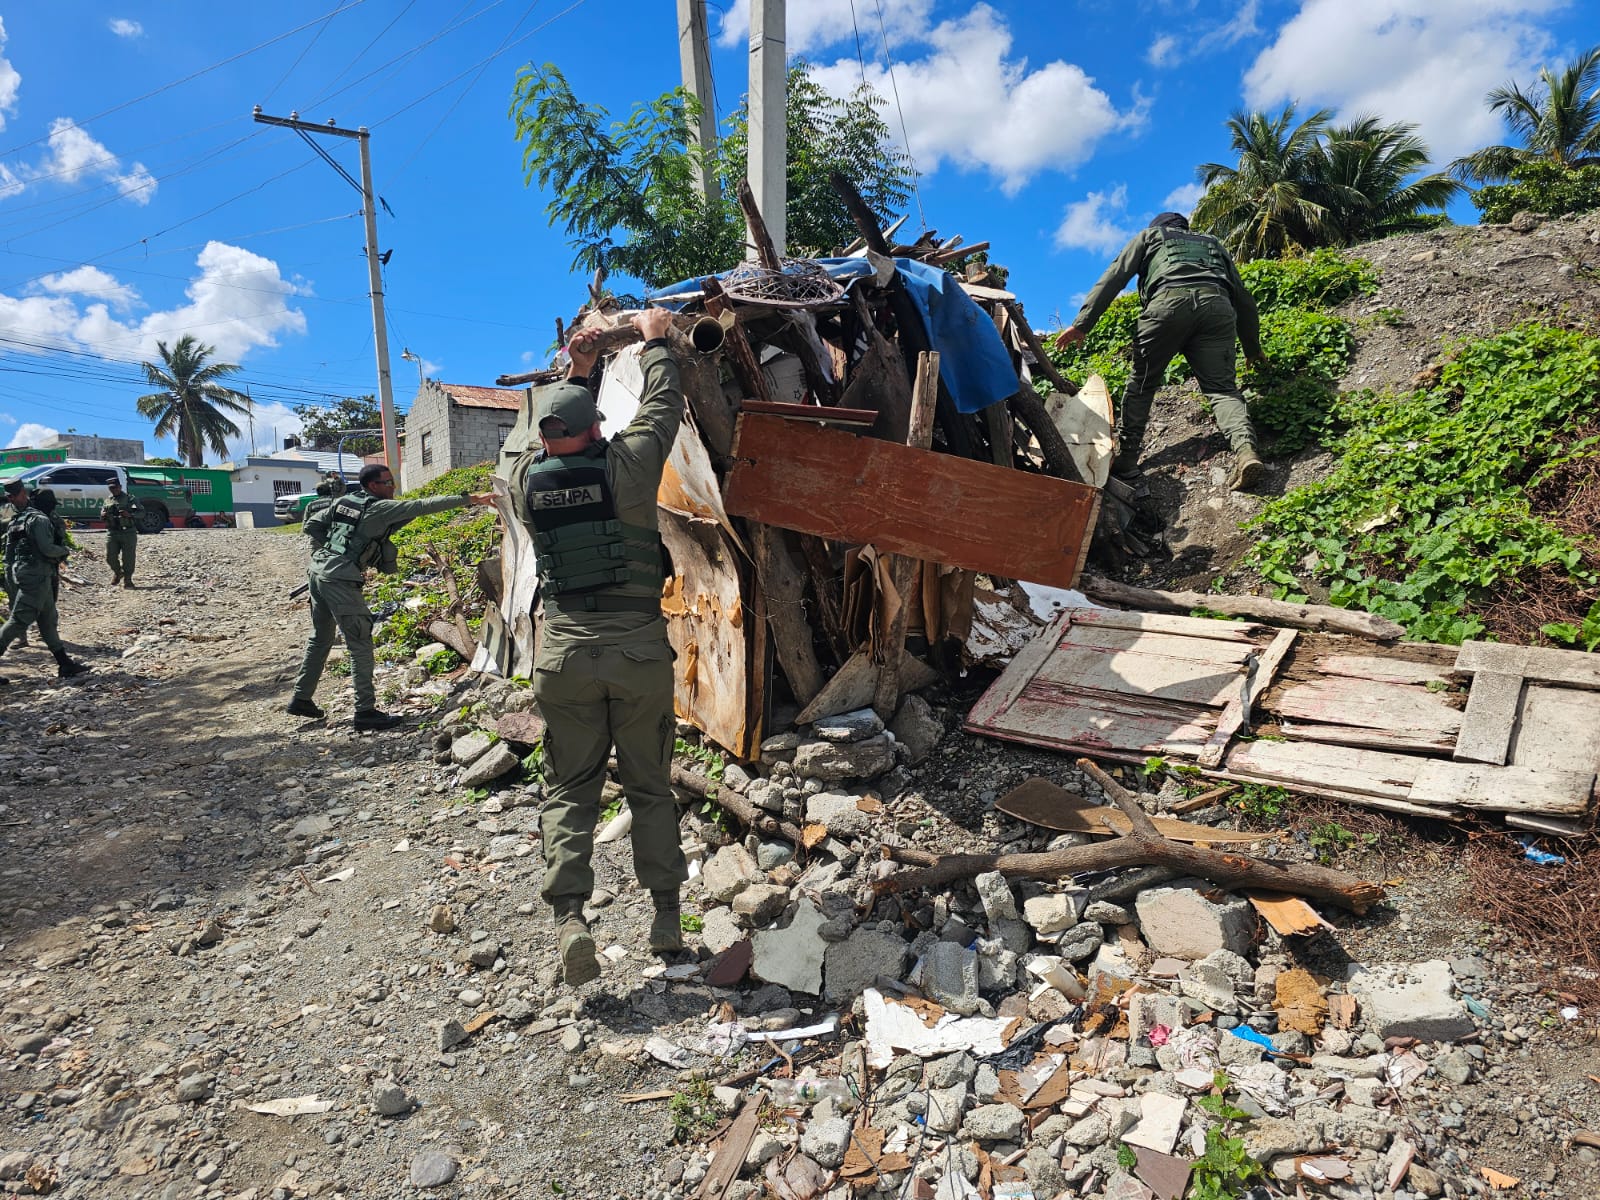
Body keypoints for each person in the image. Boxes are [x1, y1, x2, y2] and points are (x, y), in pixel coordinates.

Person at [506, 310, 686, 987]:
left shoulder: (527, 483)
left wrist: (573, 371)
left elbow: (526, 437)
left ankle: (571, 920)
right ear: (597, 428)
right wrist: (659, 341)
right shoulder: (630, 467)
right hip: (638, 654)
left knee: (570, 789)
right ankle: (666, 919)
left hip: (564, 658)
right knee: (649, 787)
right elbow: (664, 405)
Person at [1054, 212, 1267, 491]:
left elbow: (1115, 276)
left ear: (1160, 228)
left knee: (1142, 385)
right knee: (1222, 390)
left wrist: (1082, 325)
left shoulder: (1150, 236)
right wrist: (1252, 347)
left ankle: (1128, 459)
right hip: (1217, 306)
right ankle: (1246, 452)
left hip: (1166, 305)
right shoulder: (1213, 242)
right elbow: (1241, 295)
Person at [287, 462, 494, 729]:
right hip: (339, 579)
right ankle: (365, 713)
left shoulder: (347, 501)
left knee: (320, 638)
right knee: (360, 643)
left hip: (317, 572)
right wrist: (471, 499)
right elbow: (422, 506)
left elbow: (313, 525)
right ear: (373, 486)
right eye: (388, 483)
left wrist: (334, 549)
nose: (393, 487)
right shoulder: (380, 508)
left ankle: (301, 698)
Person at [0, 488, 90, 681]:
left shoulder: (21, 518)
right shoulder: (39, 520)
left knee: (48, 619)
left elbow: (10, 552)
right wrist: (64, 550)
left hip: (30, 573)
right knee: (19, 621)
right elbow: (47, 549)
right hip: (36, 575)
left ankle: (65, 664)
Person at [102, 478, 143, 587]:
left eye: (115, 487)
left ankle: (128, 579)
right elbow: (103, 511)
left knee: (128, 558)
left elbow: (142, 512)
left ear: (120, 487)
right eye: (111, 488)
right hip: (112, 532)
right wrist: (103, 515)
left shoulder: (130, 499)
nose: (113, 490)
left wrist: (130, 515)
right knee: (110, 557)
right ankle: (118, 572)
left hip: (128, 532)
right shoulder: (108, 500)